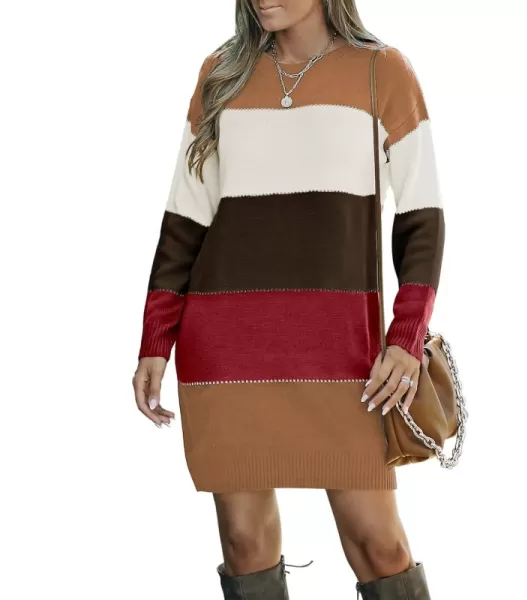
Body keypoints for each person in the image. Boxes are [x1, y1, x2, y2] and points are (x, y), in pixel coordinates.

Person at [132, 1, 444, 598]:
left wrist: (406, 338)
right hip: (226, 348)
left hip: (345, 355)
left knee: (379, 546)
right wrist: (155, 339)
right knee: (244, 543)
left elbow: (422, 216)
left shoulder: (382, 71)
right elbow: (185, 218)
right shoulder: (221, 74)